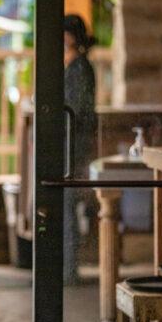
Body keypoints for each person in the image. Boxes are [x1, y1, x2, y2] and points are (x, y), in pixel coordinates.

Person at [63, 14, 97, 284]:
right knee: (65, 207)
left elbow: (78, 111)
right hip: (69, 146)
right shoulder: (73, 67)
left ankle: (69, 268)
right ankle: (66, 267)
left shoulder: (80, 68)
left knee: (68, 206)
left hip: (75, 147)